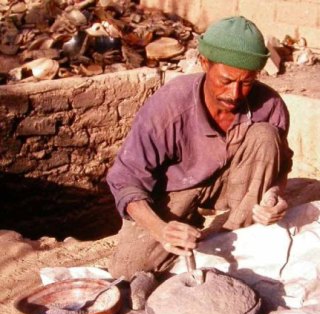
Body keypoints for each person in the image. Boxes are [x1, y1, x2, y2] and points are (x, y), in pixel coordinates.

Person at [107, 16, 293, 287]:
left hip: (232, 186)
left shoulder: (269, 105)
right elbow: (125, 179)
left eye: (247, 82)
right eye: (226, 80)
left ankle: (231, 234)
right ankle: (196, 239)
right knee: (127, 267)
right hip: (175, 190)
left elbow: (282, 166)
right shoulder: (169, 106)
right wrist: (162, 230)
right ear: (205, 63)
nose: (235, 93)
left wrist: (275, 194)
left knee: (266, 136)